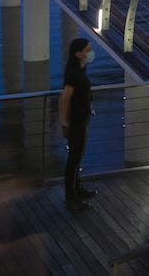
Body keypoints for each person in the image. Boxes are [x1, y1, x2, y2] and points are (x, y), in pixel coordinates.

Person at [59, 38, 95, 212]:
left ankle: (77, 189)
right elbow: (64, 99)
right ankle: (71, 196)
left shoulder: (80, 69)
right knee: (73, 159)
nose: (90, 53)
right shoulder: (73, 73)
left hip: (82, 119)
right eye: (87, 50)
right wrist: (64, 122)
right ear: (78, 53)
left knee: (77, 156)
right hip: (75, 122)